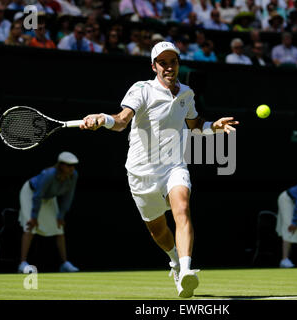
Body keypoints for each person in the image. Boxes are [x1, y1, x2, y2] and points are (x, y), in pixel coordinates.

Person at [79, 41, 238, 298]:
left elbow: (195, 124)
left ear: (178, 64)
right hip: (141, 173)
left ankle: (187, 270)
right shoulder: (141, 90)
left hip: (174, 165)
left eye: (172, 61)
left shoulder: (186, 93)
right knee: (158, 230)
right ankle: (174, 261)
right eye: (162, 62)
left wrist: (213, 126)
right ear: (154, 66)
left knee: (182, 208)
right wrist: (103, 119)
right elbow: (121, 122)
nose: (168, 67)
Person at [18, 152, 80, 273]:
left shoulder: (74, 175)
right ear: (61, 165)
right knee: (30, 226)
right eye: (68, 165)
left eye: (73, 165)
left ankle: (64, 264)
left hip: (49, 198)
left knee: (59, 228)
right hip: (31, 194)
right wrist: (34, 216)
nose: (72, 168)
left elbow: (69, 196)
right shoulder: (49, 174)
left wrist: (61, 215)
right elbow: (38, 195)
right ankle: (22, 264)